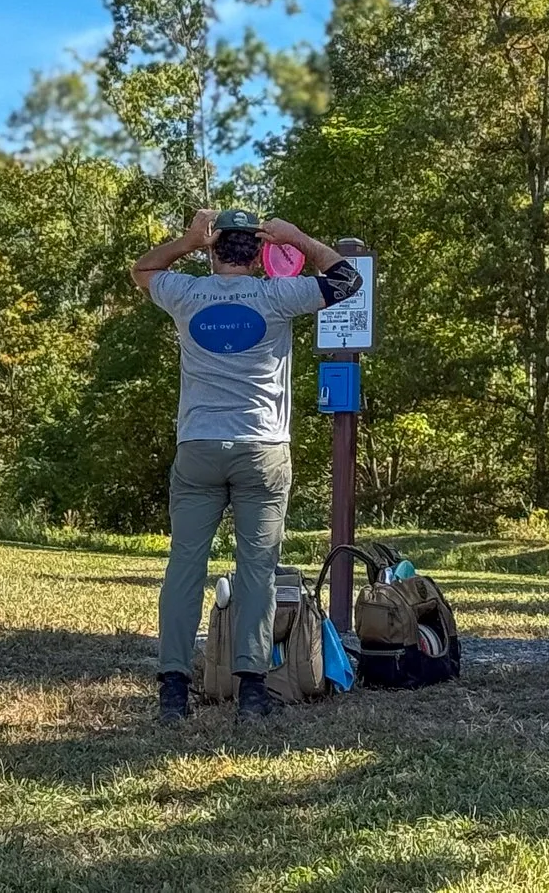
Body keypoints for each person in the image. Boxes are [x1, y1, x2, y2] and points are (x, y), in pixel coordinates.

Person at [132, 207, 358, 724]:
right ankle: (253, 690)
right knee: (257, 570)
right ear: (261, 255)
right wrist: (298, 233)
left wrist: (186, 242)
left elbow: (142, 270)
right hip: (263, 448)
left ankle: (172, 689)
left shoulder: (186, 294)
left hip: (198, 447)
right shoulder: (279, 296)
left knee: (185, 565)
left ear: (213, 251)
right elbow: (345, 278)